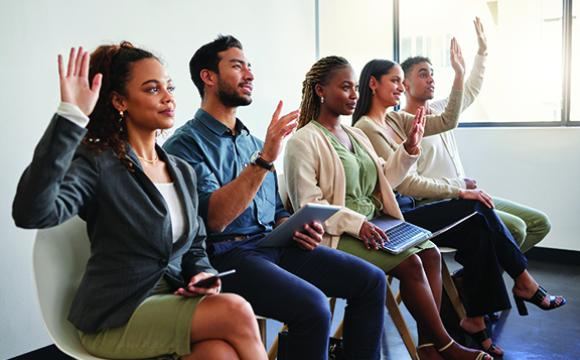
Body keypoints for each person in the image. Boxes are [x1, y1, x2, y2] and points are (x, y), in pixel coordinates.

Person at [12, 43, 267, 360]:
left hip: (170, 299)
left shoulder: (182, 171)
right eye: (152, 89)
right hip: (116, 315)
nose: (168, 97)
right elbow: (31, 213)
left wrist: (200, 273)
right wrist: (71, 117)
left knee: (218, 353)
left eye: (169, 87)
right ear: (120, 100)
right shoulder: (98, 163)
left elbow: (196, 244)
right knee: (235, 310)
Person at [163, 35, 387, 360]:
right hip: (227, 257)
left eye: (249, 66)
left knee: (371, 281)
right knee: (313, 307)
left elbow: (277, 210)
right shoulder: (186, 145)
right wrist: (265, 159)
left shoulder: (254, 142)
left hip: (273, 245)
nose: (250, 74)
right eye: (237, 66)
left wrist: (293, 225)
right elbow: (215, 219)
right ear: (208, 77)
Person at [352, 40, 566, 357]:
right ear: (373, 84)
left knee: (479, 229)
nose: (399, 87)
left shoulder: (395, 120)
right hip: (399, 215)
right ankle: (524, 281)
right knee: (476, 206)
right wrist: (458, 188)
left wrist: (458, 75)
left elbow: (447, 120)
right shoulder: (366, 129)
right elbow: (406, 183)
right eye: (394, 81)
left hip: (414, 210)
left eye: (401, 81)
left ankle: (475, 321)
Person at [284, 54, 492, 360]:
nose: (354, 94)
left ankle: (427, 346)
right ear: (320, 91)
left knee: (430, 253)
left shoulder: (354, 134)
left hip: (373, 225)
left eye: (355, 87)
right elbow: (309, 205)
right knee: (410, 264)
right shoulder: (303, 141)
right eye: (345, 87)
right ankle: (446, 344)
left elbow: (386, 178)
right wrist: (358, 224)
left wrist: (409, 149)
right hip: (338, 235)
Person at [401, 17, 551, 253]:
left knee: (539, 223)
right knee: (517, 229)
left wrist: (482, 52)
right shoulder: (400, 125)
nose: (431, 78)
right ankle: (481, 280)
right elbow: (411, 184)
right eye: (422, 74)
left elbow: (470, 89)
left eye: (431, 73)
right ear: (404, 84)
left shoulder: (441, 110)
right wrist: (458, 187)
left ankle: (469, 280)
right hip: (438, 202)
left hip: (465, 195)